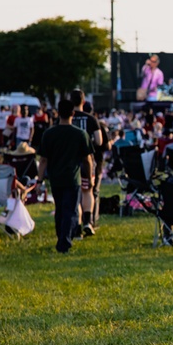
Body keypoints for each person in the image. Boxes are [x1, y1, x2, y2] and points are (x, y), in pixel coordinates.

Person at [37, 99, 93, 254]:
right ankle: (65, 241)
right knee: (70, 210)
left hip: (55, 178)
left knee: (60, 209)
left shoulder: (49, 134)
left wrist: (39, 180)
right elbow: (87, 160)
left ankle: (61, 236)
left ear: (58, 113)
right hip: (73, 178)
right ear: (72, 114)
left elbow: (43, 160)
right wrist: (89, 177)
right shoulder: (80, 134)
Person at [70, 90, 103, 237]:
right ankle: (88, 222)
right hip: (88, 160)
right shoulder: (91, 119)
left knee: (74, 194)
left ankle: (76, 226)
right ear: (83, 102)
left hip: (70, 161)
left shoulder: (67, 118)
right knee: (87, 190)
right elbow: (99, 141)